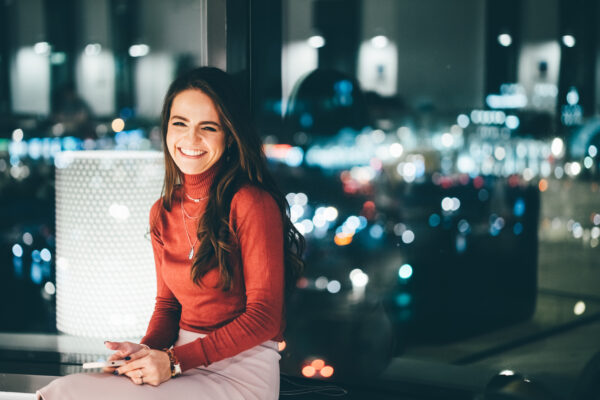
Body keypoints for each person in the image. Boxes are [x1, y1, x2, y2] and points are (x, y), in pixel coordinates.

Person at [36, 66, 305, 400]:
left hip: (241, 374)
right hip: (180, 363)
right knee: (62, 391)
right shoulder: (162, 211)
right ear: (166, 129)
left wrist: (174, 362)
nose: (190, 140)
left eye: (208, 127)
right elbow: (167, 307)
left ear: (230, 135)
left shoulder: (251, 202)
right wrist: (143, 355)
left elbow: (265, 318)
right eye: (180, 124)